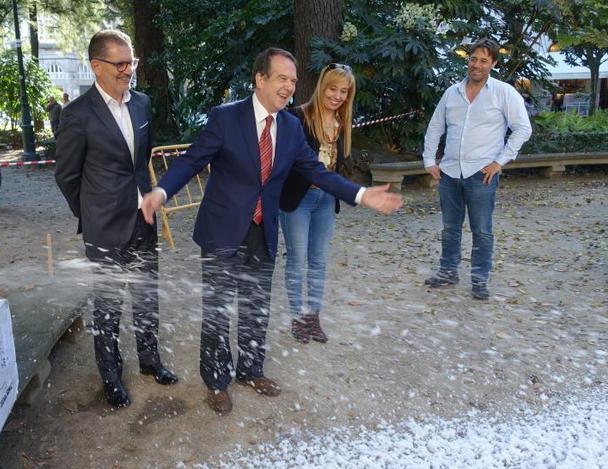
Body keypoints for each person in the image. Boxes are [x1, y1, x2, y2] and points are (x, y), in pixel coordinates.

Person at [142, 48, 402, 415]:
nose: (290, 87)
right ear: (260, 79)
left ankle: (250, 370)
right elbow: (191, 160)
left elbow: (318, 172)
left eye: (294, 81)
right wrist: (161, 191)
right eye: (283, 78)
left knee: (255, 306)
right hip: (222, 229)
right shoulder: (226, 117)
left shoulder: (293, 127)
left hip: (263, 230)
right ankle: (216, 380)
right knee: (217, 309)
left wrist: (361, 194)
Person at [55, 29, 177, 409]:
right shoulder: (77, 115)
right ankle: (111, 376)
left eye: (132, 62)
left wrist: (145, 201)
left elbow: (140, 163)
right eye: (121, 64)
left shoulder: (141, 104)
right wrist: (90, 214)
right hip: (103, 228)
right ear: (96, 66)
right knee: (108, 306)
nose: (129, 70)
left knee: (146, 297)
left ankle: (150, 361)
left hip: (144, 219)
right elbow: (66, 176)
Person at [422, 38, 532, 300]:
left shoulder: (503, 92)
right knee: (450, 228)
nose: (477, 64)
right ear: (468, 60)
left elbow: (523, 128)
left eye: (484, 60)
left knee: (482, 230)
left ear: (493, 63)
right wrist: (429, 161)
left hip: (482, 174)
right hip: (449, 172)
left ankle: (480, 279)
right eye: (473, 59)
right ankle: (448, 271)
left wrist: (500, 161)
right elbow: (435, 127)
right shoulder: (452, 93)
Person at [279, 63, 355, 345]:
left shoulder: (343, 122)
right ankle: (297, 317)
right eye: (332, 88)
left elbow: (336, 165)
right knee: (297, 260)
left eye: (343, 91)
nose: (337, 95)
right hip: (298, 199)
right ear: (321, 86)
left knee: (319, 261)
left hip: (326, 200)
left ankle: (313, 317)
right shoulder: (297, 117)